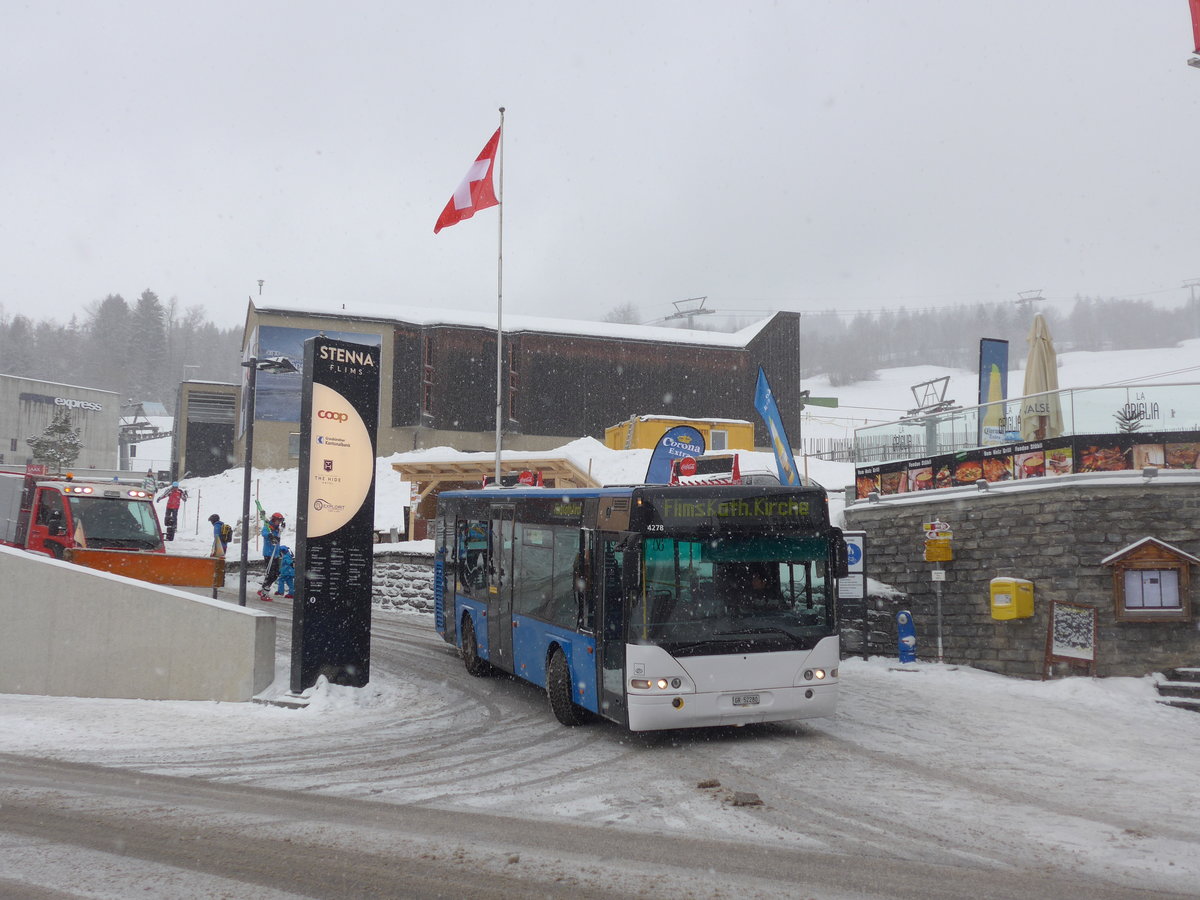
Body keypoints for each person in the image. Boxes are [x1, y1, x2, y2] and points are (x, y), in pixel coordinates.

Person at [258, 512, 285, 600]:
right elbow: (264, 533)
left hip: (275, 553)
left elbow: (277, 538)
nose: (279, 522)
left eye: (280, 521)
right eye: (278, 520)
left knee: (276, 573)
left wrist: (281, 529)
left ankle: (263, 588)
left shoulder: (277, 528)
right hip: (269, 554)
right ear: (274, 519)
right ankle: (264, 593)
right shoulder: (268, 527)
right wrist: (270, 536)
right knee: (271, 574)